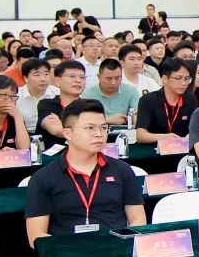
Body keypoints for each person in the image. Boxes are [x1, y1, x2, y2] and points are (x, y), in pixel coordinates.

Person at [25, 99, 146, 247]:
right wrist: (74, 251)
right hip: (66, 253)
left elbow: (138, 220)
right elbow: (36, 236)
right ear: (68, 133)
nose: (99, 134)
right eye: (90, 128)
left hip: (115, 250)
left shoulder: (122, 170)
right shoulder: (43, 178)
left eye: (103, 128)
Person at [135, 57, 198, 143]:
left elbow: (196, 128)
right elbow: (140, 135)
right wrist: (165, 137)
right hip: (154, 148)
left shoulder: (190, 99)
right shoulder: (148, 100)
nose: (184, 83)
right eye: (178, 78)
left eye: (187, 79)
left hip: (182, 147)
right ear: (165, 79)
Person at [35, 60, 88, 147]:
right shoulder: (47, 104)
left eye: (82, 77)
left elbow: (98, 133)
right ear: (58, 81)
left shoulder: (90, 106)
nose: (78, 80)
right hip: (55, 154)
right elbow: (56, 130)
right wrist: (86, 131)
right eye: (72, 76)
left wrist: (62, 125)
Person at [81, 59, 139, 125]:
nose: (113, 83)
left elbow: (137, 115)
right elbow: (83, 120)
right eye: (109, 79)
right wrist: (107, 120)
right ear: (99, 77)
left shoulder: (131, 91)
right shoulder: (88, 95)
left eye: (117, 78)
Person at [16, 57, 59, 133]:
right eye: (37, 75)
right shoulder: (16, 95)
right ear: (25, 77)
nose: (43, 79)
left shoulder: (57, 93)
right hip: (23, 134)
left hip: (51, 134)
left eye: (46, 74)